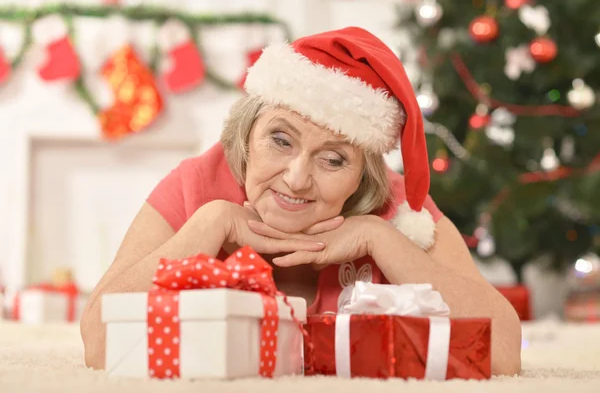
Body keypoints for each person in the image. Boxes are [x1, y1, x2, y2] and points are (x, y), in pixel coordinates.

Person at [80, 27, 522, 375]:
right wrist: (209, 224)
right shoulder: (196, 184)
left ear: (362, 176)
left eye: (333, 159)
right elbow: (99, 344)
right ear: (248, 134)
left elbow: (502, 354)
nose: (297, 179)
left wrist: (379, 238)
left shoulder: (400, 209)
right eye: (280, 139)